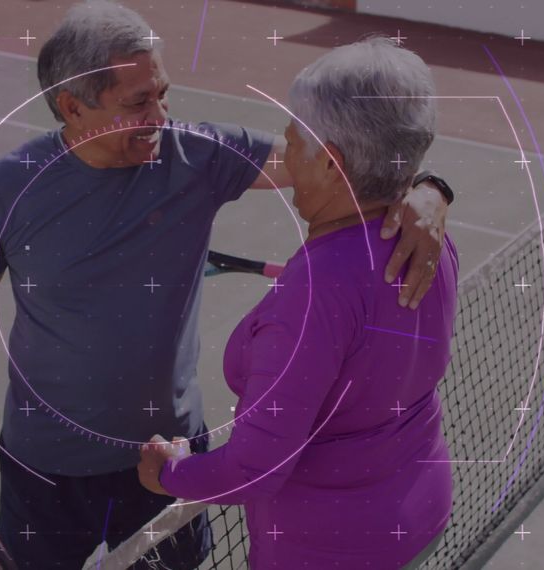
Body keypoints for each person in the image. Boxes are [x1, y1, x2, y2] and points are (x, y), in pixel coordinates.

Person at [0, 1, 453, 567]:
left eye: (163, 93)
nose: (161, 115)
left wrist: (430, 188)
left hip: (168, 464)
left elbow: (343, 161)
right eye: (138, 101)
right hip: (44, 473)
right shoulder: (6, 190)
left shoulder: (198, 155)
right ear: (72, 106)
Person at [139, 37, 457, 569]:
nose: (286, 163)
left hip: (329, 550)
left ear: (332, 164)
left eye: (294, 145)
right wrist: (434, 187)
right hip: (420, 519)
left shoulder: (315, 291)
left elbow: (256, 470)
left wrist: (169, 472)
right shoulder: (429, 238)